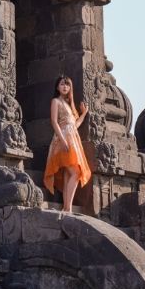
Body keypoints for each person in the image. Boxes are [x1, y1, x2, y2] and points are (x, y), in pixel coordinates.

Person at [43, 75, 91, 212]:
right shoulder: (56, 101)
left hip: (73, 138)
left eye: (67, 85)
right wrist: (63, 140)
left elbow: (75, 125)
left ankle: (66, 207)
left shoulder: (70, 105)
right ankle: (68, 208)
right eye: (62, 84)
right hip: (62, 138)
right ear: (57, 87)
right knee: (76, 172)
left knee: (69, 174)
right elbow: (54, 121)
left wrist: (83, 113)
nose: (65, 87)